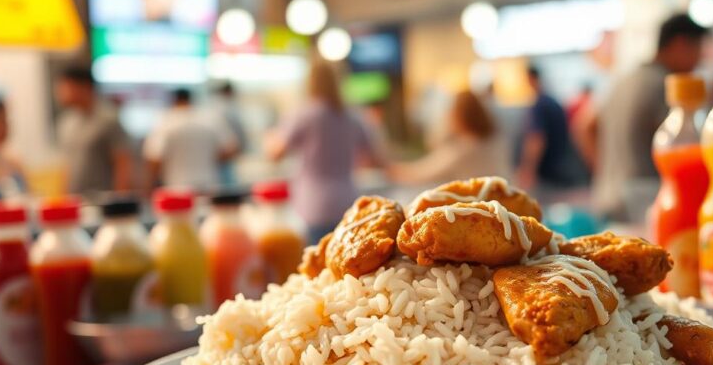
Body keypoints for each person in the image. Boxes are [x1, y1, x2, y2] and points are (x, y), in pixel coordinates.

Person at [594, 13, 710, 219]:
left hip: (606, 198)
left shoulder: (624, 80)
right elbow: (686, 144)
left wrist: (604, 169)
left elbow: (584, 126)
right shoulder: (663, 85)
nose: (698, 62)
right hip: (643, 205)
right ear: (680, 44)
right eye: (697, 50)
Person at [265, 60, 379, 244]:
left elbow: (275, 154)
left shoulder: (304, 115)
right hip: (347, 199)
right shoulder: (353, 115)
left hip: (314, 204)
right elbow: (374, 158)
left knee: (318, 263)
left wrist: (269, 137)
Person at [388, 90, 509, 185]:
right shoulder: (494, 139)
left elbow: (422, 173)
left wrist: (391, 169)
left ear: (460, 117)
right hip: (506, 194)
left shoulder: (464, 149)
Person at [54, 65, 134, 195]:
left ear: (84, 86)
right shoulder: (67, 122)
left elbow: (122, 163)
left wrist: (120, 200)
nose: (60, 93)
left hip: (102, 200)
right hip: (75, 199)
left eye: (65, 87)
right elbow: (67, 165)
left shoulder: (108, 119)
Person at [144, 88, 236, 191]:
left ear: (174, 101)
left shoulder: (164, 122)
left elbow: (154, 159)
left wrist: (151, 183)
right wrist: (208, 158)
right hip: (209, 183)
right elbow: (232, 149)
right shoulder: (210, 119)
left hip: (176, 185)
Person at [516, 66, 586, 191]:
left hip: (547, 172)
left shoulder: (539, 105)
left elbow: (537, 139)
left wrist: (528, 169)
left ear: (531, 79)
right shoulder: (553, 102)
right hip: (561, 166)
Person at [210, 82, 248, 186]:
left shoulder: (216, 108)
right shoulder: (226, 109)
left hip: (224, 155)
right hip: (224, 154)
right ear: (229, 92)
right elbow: (236, 136)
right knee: (226, 185)